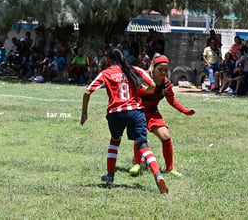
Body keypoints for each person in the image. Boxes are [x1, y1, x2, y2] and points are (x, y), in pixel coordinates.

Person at [80, 48, 169, 194]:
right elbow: (152, 85)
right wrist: (143, 89)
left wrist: (84, 113)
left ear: (109, 60)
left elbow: (87, 91)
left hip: (116, 113)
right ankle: (157, 174)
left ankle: (110, 175)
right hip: (135, 111)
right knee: (143, 145)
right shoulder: (134, 69)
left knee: (115, 140)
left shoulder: (106, 73)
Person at [129, 54, 196, 177]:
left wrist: (185, 111)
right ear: (153, 68)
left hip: (153, 112)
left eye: (166, 70)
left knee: (166, 136)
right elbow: (133, 92)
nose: (164, 72)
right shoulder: (143, 78)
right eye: (160, 69)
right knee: (140, 137)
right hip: (139, 112)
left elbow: (172, 100)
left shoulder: (166, 83)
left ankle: (170, 169)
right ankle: (137, 164)